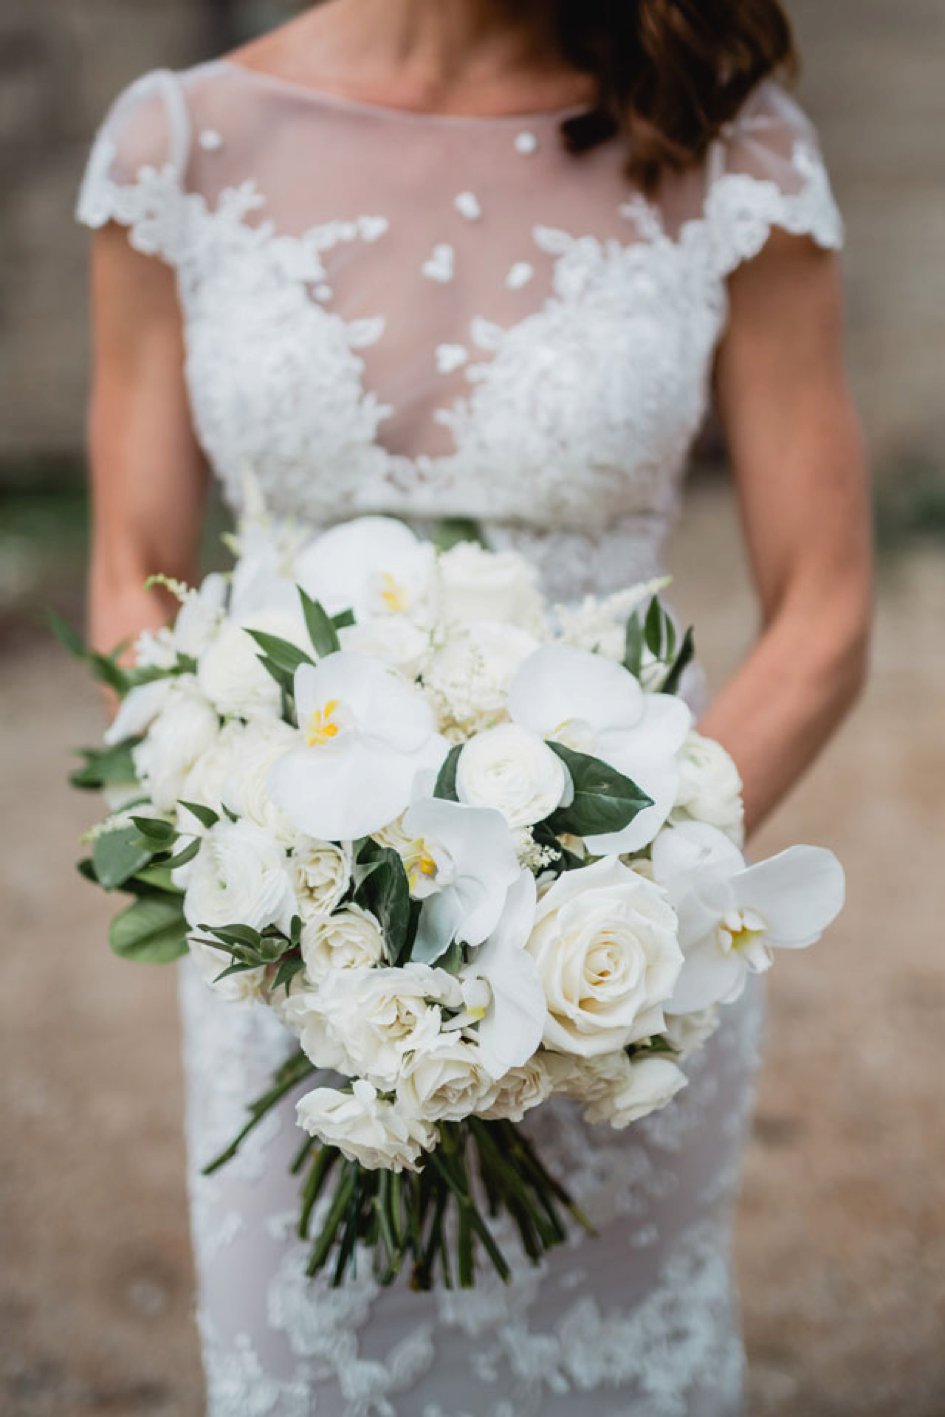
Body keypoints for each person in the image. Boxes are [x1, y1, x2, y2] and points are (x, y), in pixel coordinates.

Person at [77, 1, 873, 1412]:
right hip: (302, 926)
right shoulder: (178, 141)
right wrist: (255, 842)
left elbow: (821, 609)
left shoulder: (723, 143)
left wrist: (616, 881)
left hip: (615, 964)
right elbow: (131, 581)